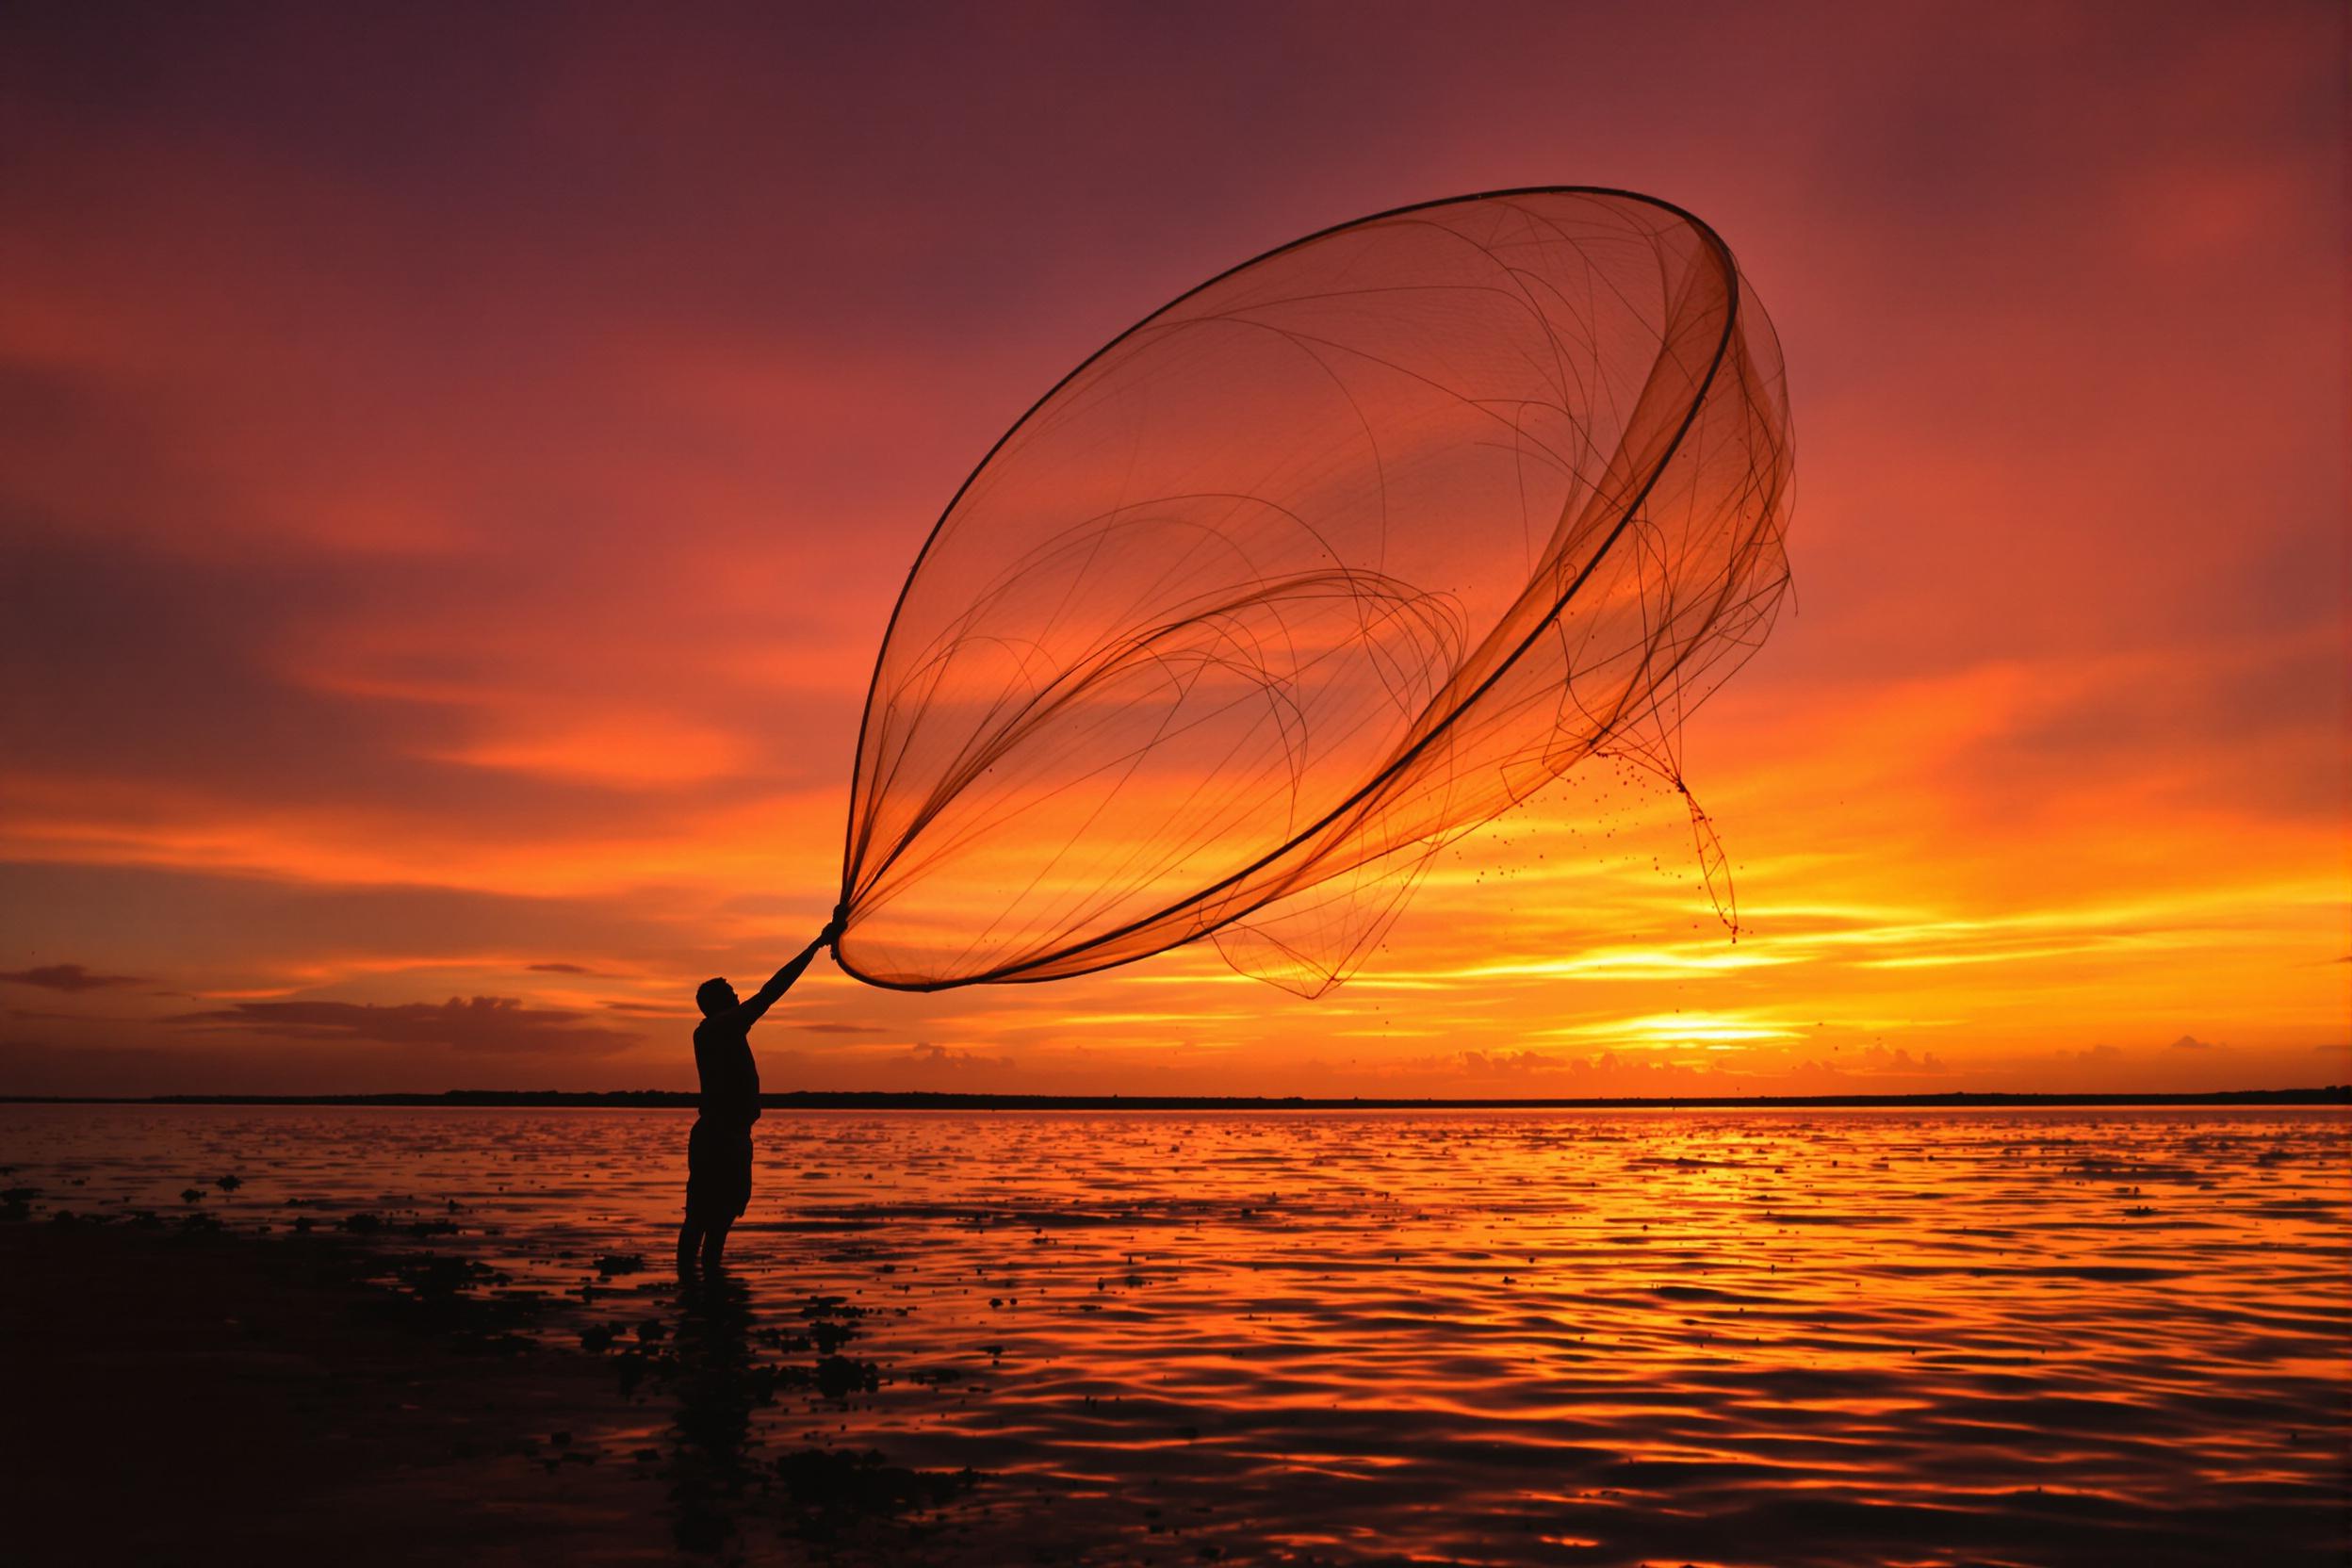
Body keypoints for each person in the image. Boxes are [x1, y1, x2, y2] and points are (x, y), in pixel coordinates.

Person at [678, 916, 841, 1277]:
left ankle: (702, 1287)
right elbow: (771, 992)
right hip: (719, 1139)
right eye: (732, 994)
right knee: (703, 1219)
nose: (739, 998)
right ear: (719, 1004)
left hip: (731, 1138)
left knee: (716, 1220)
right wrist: (815, 946)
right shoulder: (719, 1028)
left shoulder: (720, 1031)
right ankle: (693, 1287)